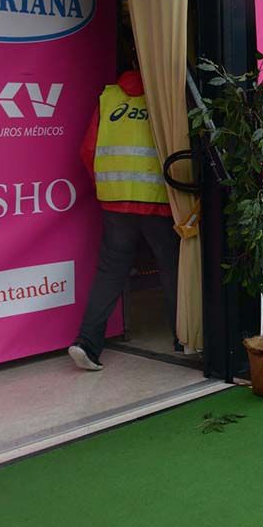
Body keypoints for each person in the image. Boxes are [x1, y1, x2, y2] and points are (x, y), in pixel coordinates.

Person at [67, 70, 181, 371]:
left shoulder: (109, 97)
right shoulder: (165, 97)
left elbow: (87, 150)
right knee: (172, 267)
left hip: (115, 200)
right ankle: (183, 338)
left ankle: (87, 344)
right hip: (158, 200)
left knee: (110, 272)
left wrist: (105, 187)